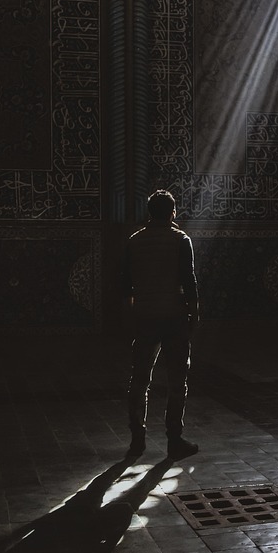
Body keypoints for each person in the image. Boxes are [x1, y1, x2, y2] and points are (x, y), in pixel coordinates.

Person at [120, 190, 199, 460]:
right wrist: (195, 311)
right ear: (173, 212)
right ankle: (174, 439)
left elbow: (125, 284)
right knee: (178, 380)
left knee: (140, 379)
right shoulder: (181, 240)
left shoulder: (134, 241)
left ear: (149, 213)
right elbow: (188, 279)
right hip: (174, 316)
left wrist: (133, 312)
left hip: (145, 316)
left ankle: (137, 440)